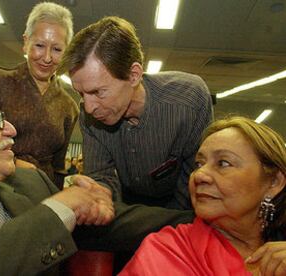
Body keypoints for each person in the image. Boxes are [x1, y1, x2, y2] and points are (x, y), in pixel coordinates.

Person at [0, 78, 194, 275]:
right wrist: (62, 205)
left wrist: (200, 223)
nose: (11, 129)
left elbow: (111, 224)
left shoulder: (29, 183)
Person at [57, 16, 214, 209]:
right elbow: (101, 176)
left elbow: (197, 181)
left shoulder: (189, 100)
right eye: (80, 93)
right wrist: (100, 196)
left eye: (98, 92)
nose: (88, 107)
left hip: (182, 210)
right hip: (128, 208)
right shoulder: (88, 116)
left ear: (133, 75)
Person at [120, 116, 286, 275]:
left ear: (274, 182)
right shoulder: (167, 251)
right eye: (199, 164)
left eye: (223, 163)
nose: (199, 175)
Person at [0, 2, 79, 189]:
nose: (47, 57)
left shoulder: (69, 106)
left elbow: (58, 168)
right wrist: (15, 163)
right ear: (26, 42)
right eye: (39, 45)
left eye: (57, 49)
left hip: (42, 191)